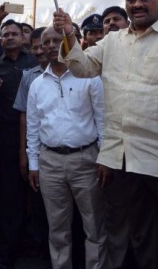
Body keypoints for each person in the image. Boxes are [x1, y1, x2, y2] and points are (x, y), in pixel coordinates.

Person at [53, 0, 158, 269]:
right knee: (142, 236)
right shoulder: (112, 41)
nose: (137, 4)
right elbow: (82, 68)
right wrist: (69, 35)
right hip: (127, 160)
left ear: (157, 1)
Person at [26, 27, 107, 269]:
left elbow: (103, 121)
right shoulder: (37, 85)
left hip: (86, 160)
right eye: (46, 42)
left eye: (56, 40)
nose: (51, 45)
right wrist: (33, 164)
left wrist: (104, 158)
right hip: (50, 162)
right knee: (57, 229)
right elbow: (33, 127)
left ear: (68, 42)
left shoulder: (89, 77)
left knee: (95, 227)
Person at [0, 20, 37, 269]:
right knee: (10, 197)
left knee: (38, 195)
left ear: (23, 37)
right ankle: (9, 249)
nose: (9, 37)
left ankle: (37, 242)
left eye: (14, 33)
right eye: (5, 34)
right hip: (8, 140)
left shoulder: (36, 62)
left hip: (39, 138)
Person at [12, 26, 50, 261]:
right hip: (39, 152)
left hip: (70, 153)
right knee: (40, 205)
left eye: (42, 46)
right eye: (34, 47)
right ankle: (46, 252)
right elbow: (25, 117)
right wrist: (24, 153)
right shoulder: (29, 77)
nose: (39, 51)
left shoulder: (77, 72)